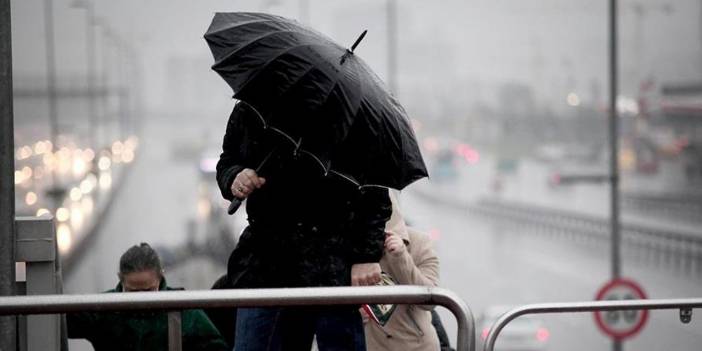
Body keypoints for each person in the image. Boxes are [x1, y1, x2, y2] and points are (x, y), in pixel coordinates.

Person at [216, 101, 392, 350]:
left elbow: (374, 194)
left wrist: (366, 256)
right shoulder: (253, 107)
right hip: (267, 260)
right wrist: (235, 176)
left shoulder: (353, 114)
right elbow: (228, 160)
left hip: (331, 264)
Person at [66, 243, 228, 351]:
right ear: (120, 279)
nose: (141, 301)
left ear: (160, 278)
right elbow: (52, 323)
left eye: (148, 291)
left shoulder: (183, 310)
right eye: (133, 292)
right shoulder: (102, 309)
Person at [363, 192, 441, 351]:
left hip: (415, 345)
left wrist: (401, 257)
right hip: (370, 344)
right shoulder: (352, 247)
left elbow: (431, 299)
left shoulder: (420, 242)